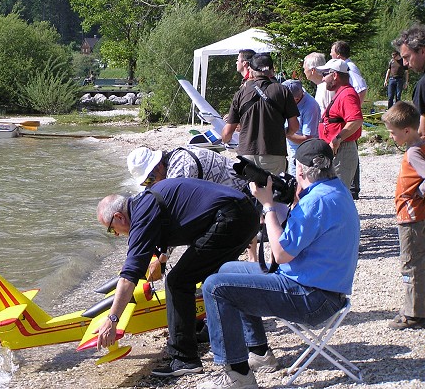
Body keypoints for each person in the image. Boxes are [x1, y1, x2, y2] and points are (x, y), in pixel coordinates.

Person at [197, 139, 360, 389]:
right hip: (323, 288)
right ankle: (259, 353)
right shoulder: (336, 190)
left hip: (312, 298)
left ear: (301, 170)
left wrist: (268, 206)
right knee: (228, 270)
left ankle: (237, 375)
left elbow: (281, 254)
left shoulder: (316, 202)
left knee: (215, 287)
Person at [95, 178, 260, 377]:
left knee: (178, 282)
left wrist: (112, 319)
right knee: (219, 279)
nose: (116, 234)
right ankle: (258, 348)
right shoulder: (145, 201)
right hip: (244, 212)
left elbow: (128, 276)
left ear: (119, 217)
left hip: (231, 218)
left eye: (111, 229)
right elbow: (181, 218)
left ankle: (184, 359)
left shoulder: (142, 215)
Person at [222, 53, 299, 261]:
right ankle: (279, 252)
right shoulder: (283, 91)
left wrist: (225, 138)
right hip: (274, 154)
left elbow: (227, 132)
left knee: (248, 207)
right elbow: (294, 128)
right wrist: (277, 131)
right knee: (277, 202)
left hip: (247, 156)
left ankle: (253, 257)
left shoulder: (242, 92)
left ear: (251, 71)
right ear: (272, 70)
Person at [381, 101, 425, 330]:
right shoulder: (421, 145)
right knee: (419, 261)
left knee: (410, 263)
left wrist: (418, 192)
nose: (390, 136)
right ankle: (415, 305)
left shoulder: (413, 153)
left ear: (406, 131)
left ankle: (414, 313)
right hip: (417, 215)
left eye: (392, 132)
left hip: (411, 216)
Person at [316, 58, 363, 190]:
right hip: (338, 150)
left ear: (335, 75)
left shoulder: (347, 94)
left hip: (342, 150)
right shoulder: (341, 93)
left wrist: (337, 138)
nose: (323, 78)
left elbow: (356, 120)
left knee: (338, 193)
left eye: (325, 74)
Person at [331, 41, 367, 199]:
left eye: (332, 52)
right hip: (347, 119)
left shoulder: (349, 67)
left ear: (338, 55)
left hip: (348, 121)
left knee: (350, 150)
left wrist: (353, 108)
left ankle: (353, 188)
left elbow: (361, 88)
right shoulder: (347, 66)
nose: (330, 54)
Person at [127, 146, 247, 192]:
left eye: (150, 179)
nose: (150, 184)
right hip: (231, 191)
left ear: (158, 165)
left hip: (246, 190)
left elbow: (176, 208)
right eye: (145, 183)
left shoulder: (180, 168)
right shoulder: (172, 159)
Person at [281, 79, 321, 176]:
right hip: (289, 150)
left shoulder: (310, 107)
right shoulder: (292, 99)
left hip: (303, 154)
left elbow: (307, 139)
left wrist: (284, 133)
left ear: (297, 98)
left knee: (297, 184)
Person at [393, 25, 425, 138]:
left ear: (422, 51)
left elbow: (421, 132)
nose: (405, 63)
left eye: (407, 57)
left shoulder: (423, 85)